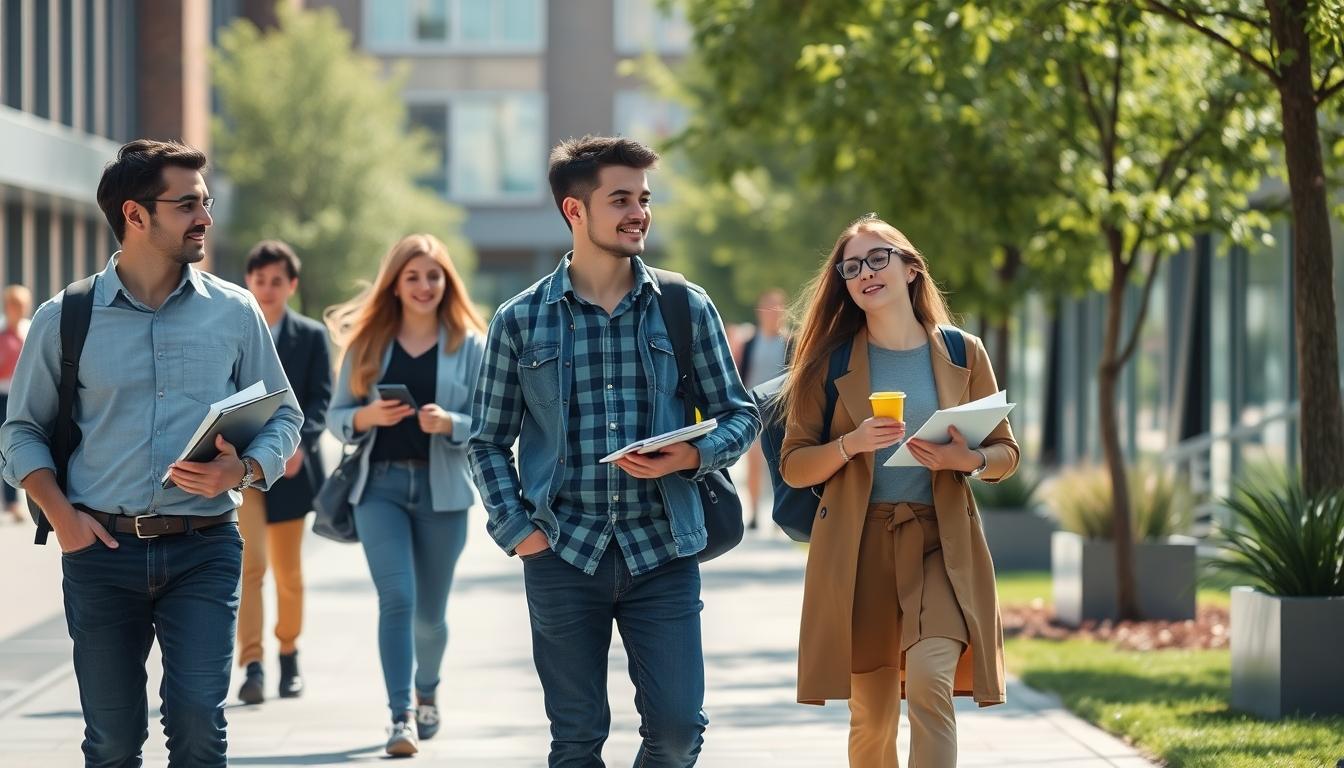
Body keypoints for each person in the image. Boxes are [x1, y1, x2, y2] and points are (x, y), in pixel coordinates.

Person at [0, 139, 302, 767]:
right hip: (100, 553)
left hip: (205, 549)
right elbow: (21, 430)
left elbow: (284, 416)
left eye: (206, 201)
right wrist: (62, 518)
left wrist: (241, 470)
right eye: (187, 204)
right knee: (111, 742)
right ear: (135, 215)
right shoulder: (67, 317)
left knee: (197, 724)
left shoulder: (234, 311)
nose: (205, 217)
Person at [469, 136, 760, 768]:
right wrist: (520, 533)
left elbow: (741, 415)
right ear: (575, 211)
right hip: (562, 554)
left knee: (680, 732)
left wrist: (691, 456)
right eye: (621, 198)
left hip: (663, 550)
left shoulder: (685, 306)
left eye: (645, 199)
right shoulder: (520, 321)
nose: (639, 213)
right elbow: (487, 441)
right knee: (576, 741)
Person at [777, 214, 1018, 768]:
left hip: (941, 541)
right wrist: (851, 444)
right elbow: (794, 465)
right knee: (873, 712)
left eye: (879, 258)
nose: (865, 273)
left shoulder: (963, 352)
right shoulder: (828, 361)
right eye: (852, 266)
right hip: (858, 548)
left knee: (932, 682)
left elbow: (1006, 453)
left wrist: (969, 459)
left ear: (912, 269)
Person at [325, 233, 485, 757]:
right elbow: (336, 419)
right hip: (381, 488)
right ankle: (401, 717)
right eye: (412, 276)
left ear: (447, 281)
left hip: (444, 492)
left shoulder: (470, 344)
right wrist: (366, 416)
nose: (423, 286)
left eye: (433, 276)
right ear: (394, 283)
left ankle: (428, 688)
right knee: (397, 599)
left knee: (430, 616)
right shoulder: (369, 341)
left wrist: (452, 423)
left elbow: (492, 423)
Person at [235, 239, 333, 704]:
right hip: (244, 472)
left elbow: (320, 399)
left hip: (293, 474)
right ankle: (251, 664)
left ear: (291, 285)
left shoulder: (311, 336)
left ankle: (289, 654)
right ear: (248, 283)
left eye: (277, 281)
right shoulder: (235, 330)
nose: (267, 288)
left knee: (288, 572)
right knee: (249, 568)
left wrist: (299, 445)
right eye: (259, 280)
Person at [736, 288, 790, 529]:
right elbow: (739, 375)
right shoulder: (749, 343)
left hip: (782, 413)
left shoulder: (792, 342)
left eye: (776, 307)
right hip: (754, 411)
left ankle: (781, 515)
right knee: (755, 464)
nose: (771, 313)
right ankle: (755, 513)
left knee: (781, 466)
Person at [0, 284, 33, 522]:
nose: (20, 309)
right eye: (17, 305)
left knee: (18, 445)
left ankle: (14, 502)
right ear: (8, 306)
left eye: (24, 305)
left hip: (24, 396)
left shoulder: (30, 328)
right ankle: (10, 501)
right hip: (2, 395)